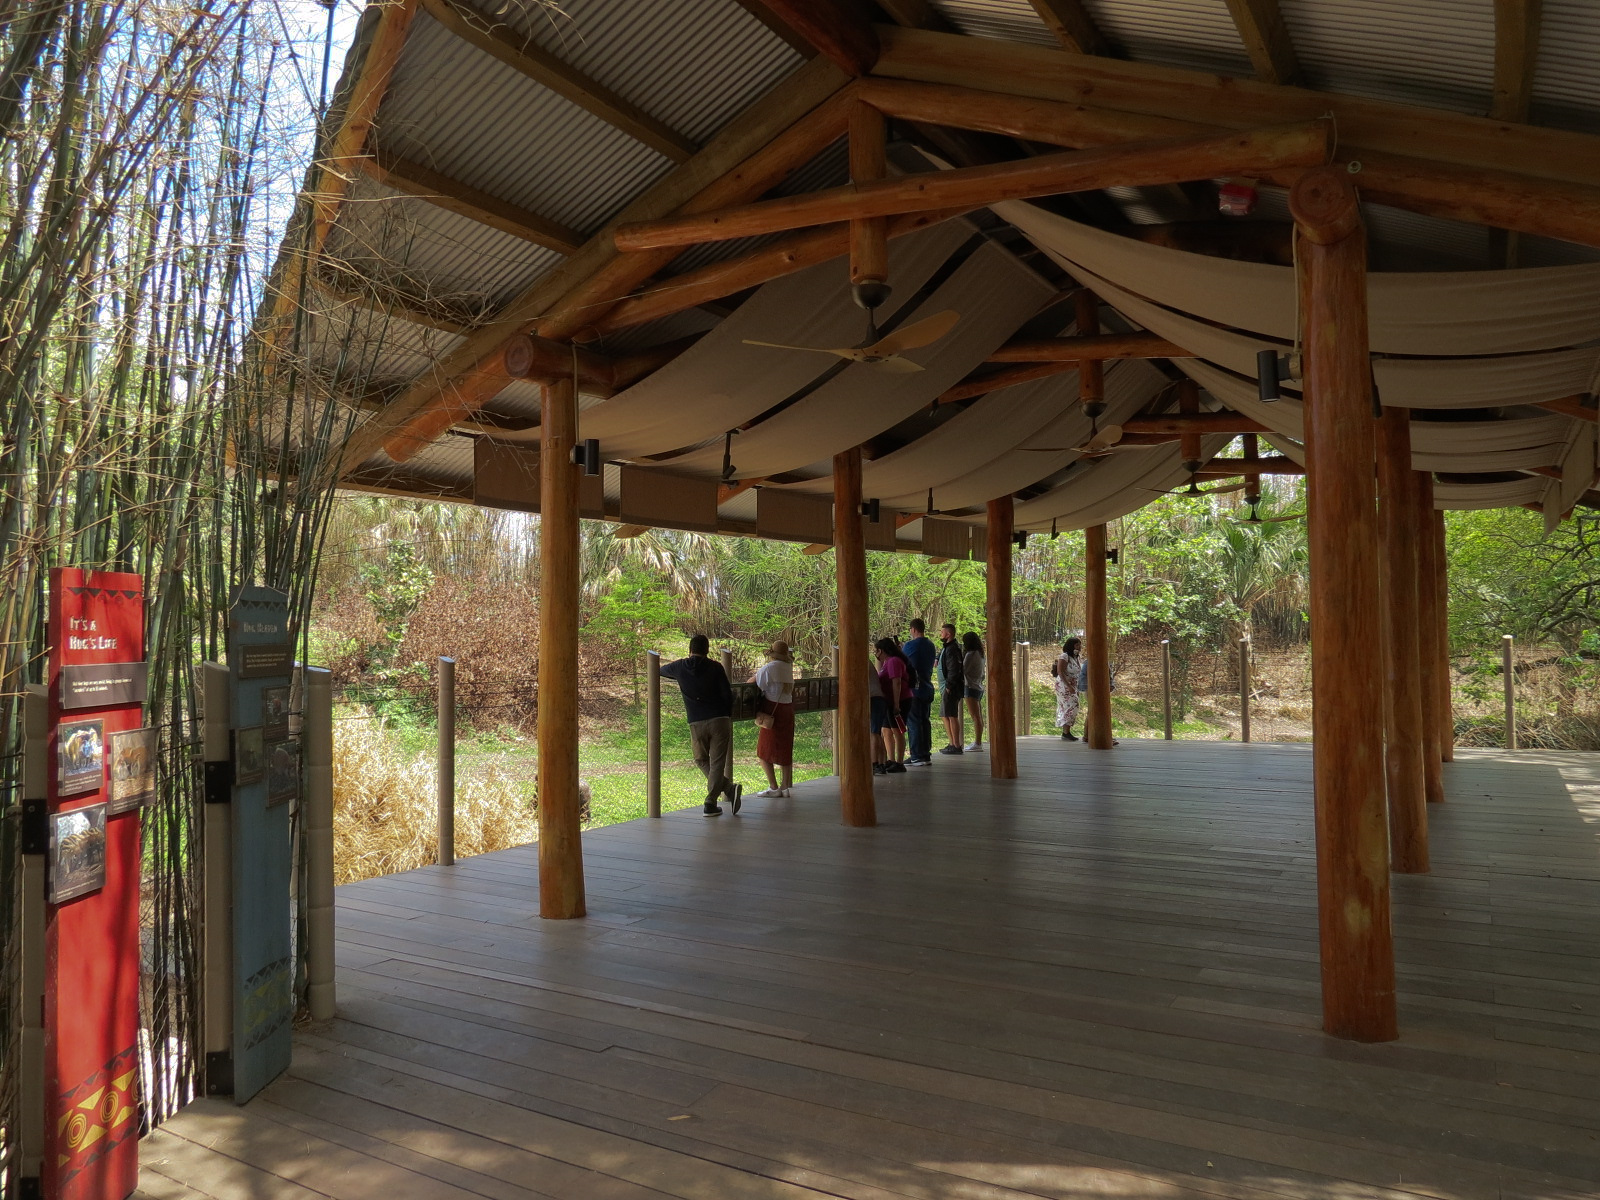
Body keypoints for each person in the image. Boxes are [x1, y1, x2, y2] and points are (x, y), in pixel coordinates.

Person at [660, 635, 742, 816]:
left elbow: (660, 670)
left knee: (700, 759)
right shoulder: (716, 667)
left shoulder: (680, 667)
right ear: (707, 650)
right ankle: (724, 791)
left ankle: (714, 799)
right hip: (720, 719)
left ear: (690, 649)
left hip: (696, 722)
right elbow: (727, 694)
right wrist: (728, 715)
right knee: (717, 761)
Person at [752, 640, 795, 798]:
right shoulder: (788, 668)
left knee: (764, 751)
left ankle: (773, 786)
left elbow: (757, 683)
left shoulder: (769, 668)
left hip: (772, 711)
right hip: (788, 709)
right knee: (785, 748)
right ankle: (785, 786)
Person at [901, 618, 937, 766]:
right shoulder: (930, 645)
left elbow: (902, 661)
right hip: (927, 687)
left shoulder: (910, 645)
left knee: (914, 722)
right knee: (924, 721)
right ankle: (925, 753)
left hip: (914, 690)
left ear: (913, 629)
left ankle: (916, 754)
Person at [874, 637, 913, 772]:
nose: (876, 653)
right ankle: (890, 759)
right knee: (886, 730)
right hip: (888, 701)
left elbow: (896, 682)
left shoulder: (894, 661)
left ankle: (899, 761)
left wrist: (896, 704)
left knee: (897, 730)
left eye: (876, 650)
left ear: (882, 650)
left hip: (900, 700)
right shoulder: (886, 662)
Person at [936, 622, 965, 755]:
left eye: (942, 632)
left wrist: (949, 686)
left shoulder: (952, 649)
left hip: (951, 688)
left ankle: (956, 745)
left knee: (951, 715)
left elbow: (954, 669)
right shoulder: (947, 647)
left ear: (948, 634)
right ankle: (952, 742)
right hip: (947, 687)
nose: (940, 634)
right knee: (945, 714)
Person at [1053, 637, 1084, 740]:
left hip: (1073, 685)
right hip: (1064, 685)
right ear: (1071, 646)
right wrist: (1068, 686)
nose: (1079, 647)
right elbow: (1060, 672)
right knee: (1071, 705)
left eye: (1080, 645)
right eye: (1076, 645)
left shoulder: (1076, 657)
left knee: (1072, 706)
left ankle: (1066, 732)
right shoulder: (1064, 656)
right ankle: (1066, 732)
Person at [962, 631, 986, 752]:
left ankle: (978, 742)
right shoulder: (981, 654)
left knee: (975, 716)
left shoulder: (970, 654)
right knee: (978, 716)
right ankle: (978, 741)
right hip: (979, 686)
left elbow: (963, 670)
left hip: (970, 686)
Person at [866, 655, 891, 774]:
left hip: (874, 699)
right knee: (877, 733)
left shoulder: (859, 661)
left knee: (873, 733)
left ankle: (874, 763)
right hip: (879, 699)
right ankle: (882, 763)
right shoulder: (866, 661)